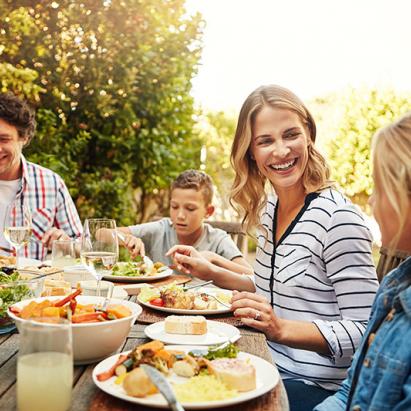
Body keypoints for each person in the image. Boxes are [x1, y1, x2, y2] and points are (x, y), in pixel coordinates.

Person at [167, 85, 379, 410]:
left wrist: (280, 329)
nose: (280, 151)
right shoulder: (271, 208)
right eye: (265, 141)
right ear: (250, 151)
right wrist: (211, 271)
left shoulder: (339, 219)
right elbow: (273, 287)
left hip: (314, 387)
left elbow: (366, 331)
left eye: (290, 134)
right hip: (262, 361)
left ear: (308, 133)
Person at [315, 112, 411, 411]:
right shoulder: (394, 286)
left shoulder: (338, 221)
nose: (371, 201)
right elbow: (350, 392)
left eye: (378, 189)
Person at [0, 92, 82, 261]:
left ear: (24, 138)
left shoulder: (51, 183)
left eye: (3, 139)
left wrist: (65, 243)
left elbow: (81, 244)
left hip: (32, 285)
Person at [118, 169, 252, 272]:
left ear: (208, 211)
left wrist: (213, 258)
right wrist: (127, 238)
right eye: (174, 207)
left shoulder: (218, 240)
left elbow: (250, 275)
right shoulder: (160, 230)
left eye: (190, 208)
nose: (180, 215)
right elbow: (101, 233)